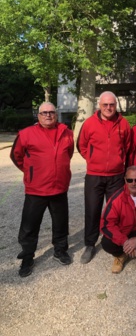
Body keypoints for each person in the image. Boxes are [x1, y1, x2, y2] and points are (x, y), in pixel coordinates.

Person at [10, 102, 74, 277]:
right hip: (36, 190)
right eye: (44, 112)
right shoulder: (26, 134)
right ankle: (28, 256)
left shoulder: (67, 133)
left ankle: (60, 251)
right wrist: (31, 172)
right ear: (38, 116)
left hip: (59, 188)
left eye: (51, 112)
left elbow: (68, 154)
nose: (48, 115)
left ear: (56, 114)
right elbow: (16, 156)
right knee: (30, 226)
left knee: (61, 224)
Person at [77, 91, 131, 264]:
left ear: (116, 105)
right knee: (92, 210)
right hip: (94, 176)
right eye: (105, 105)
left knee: (115, 211)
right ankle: (90, 244)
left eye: (112, 105)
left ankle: (117, 241)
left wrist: (119, 162)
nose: (109, 108)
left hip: (116, 176)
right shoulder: (89, 123)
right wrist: (93, 160)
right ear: (99, 105)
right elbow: (82, 145)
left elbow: (128, 147)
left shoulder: (124, 124)